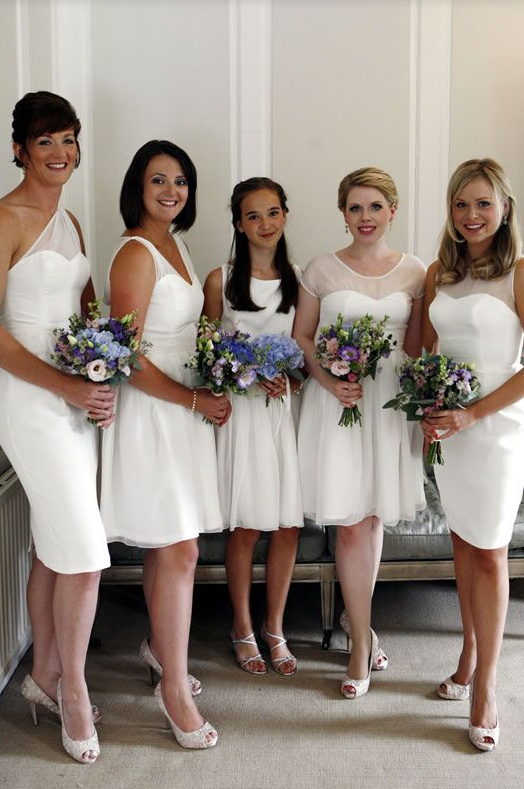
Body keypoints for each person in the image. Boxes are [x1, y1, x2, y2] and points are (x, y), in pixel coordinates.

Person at [0, 91, 115, 764]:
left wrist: (102, 372)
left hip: (75, 403)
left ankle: (46, 676)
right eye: (46, 140)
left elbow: (84, 315)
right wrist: (67, 385)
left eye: (69, 139)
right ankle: (74, 691)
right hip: (30, 403)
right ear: (19, 149)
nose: (60, 152)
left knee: (56, 546)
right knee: (84, 553)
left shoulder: (71, 220)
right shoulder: (3, 218)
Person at [422, 158, 524, 751]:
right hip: (450, 428)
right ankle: (468, 654)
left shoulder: (523, 272)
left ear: (505, 208)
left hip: (497, 428)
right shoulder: (440, 273)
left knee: (490, 551)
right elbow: (431, 350)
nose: (471, 215)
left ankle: (487, 686)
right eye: (461, 204)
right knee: (462, 543)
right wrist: (429, 404)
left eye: (483, 203)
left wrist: (474, 413)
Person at [100, 140, 228, 749]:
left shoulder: (176, 245)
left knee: (170, 545)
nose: (171, 191)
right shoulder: (135, 252)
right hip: (155, 412)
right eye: (158, 180)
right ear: (138, 187)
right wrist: (194, 399)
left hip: (183, 409)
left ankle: (159, 649)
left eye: (180, 181)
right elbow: (126, 357)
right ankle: (173, 688)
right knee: (180, 550)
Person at [293, 167, 426, 699]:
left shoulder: (416, 272)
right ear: (343, 213)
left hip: (389, 406)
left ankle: (360, 625)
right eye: (354, 208)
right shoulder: (321, 268)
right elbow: (303, 337)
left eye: (374, 207)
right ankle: (359, 643)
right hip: (338, 403)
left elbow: (416, 348)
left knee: (373, 518)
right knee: (349, 524)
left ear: (393, 210)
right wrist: (331, 382)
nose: (364, 217)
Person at [203, 177, 304, 677]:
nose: (265, 224)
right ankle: (241, 627)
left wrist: (290, 376)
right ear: (239, 225)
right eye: (253, 216)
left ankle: (275, 627)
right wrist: (243, 370)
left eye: (273, 212)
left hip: (284, 414)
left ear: (285, 215)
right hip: (242, 416)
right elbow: (204, 354)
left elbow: (307, 352)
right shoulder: (220, 280)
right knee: (247, 525)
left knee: (288, 525)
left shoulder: (301, 280)